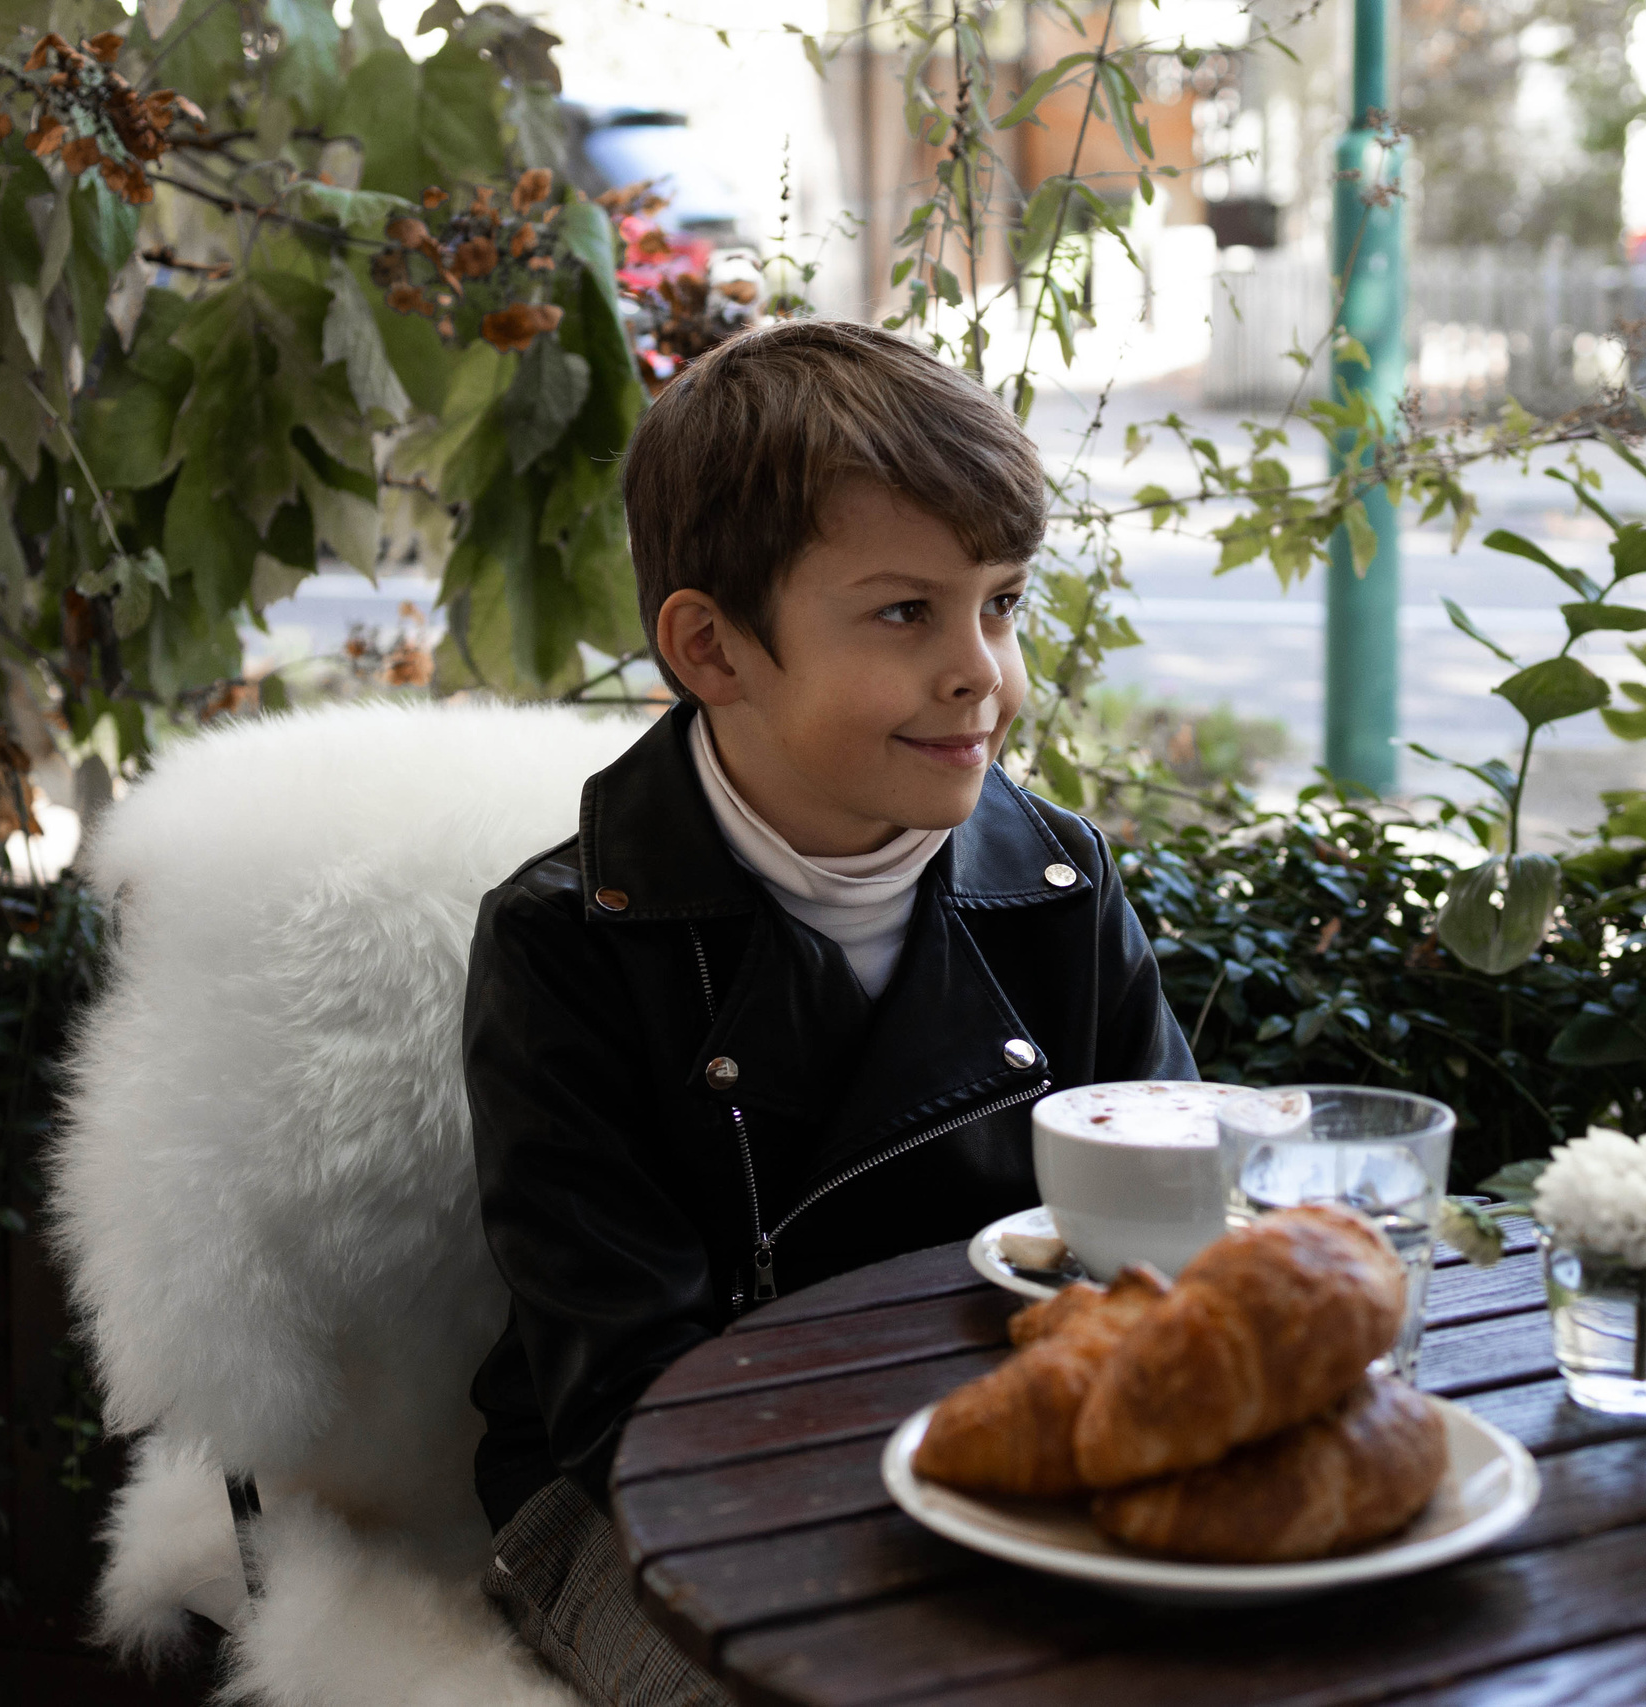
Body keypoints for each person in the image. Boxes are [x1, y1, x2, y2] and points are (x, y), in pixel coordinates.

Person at [461, 319, 1195, 1705]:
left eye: (1002, 602)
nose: (983, 669)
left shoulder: (1058, 888)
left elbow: (1164, 1242)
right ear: (712, 648)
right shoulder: (569, 945)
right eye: (906, 612)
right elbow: (626, 1389)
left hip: (1011, 1477)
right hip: (659, 1511)